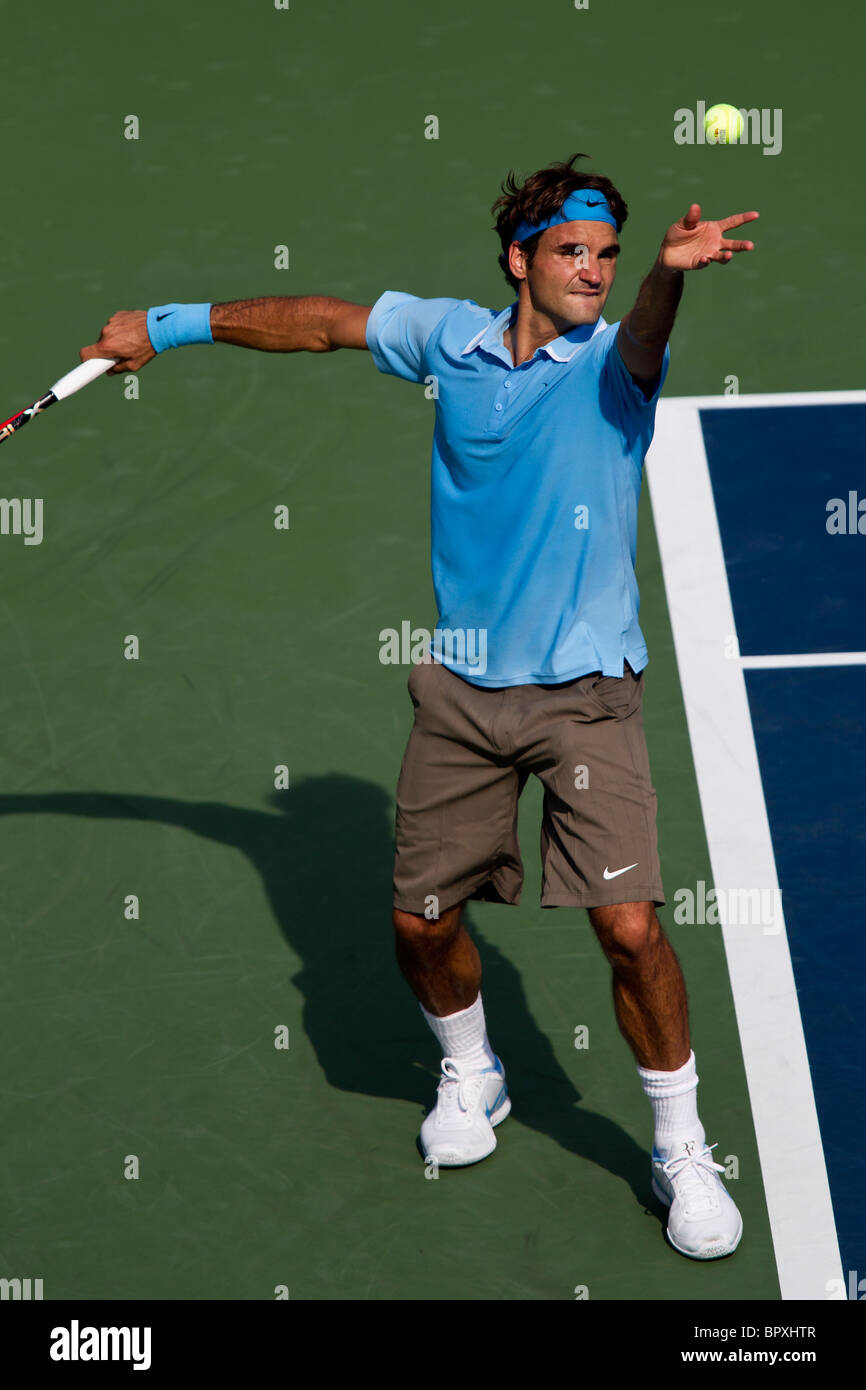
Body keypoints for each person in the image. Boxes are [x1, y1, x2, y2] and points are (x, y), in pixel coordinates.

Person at [81, 152, 758, 1261]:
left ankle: (679, 1146)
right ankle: (472, 1068)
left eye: (609, 256)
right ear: (519, 260)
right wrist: (167, 323)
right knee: (419, 922)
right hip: (459, 694)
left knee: (628, 928)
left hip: (587, 698)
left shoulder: (615, 368)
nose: (593, 272)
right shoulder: (447, 338)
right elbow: (321, 323)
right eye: (571, 252)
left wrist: (671, 276)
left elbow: (643, 327)